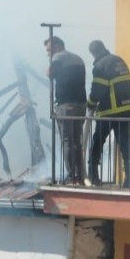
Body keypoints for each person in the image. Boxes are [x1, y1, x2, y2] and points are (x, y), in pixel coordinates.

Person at [87, 40, 130, 188]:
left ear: (93, 53)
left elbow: (98, 90)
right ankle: (129, 181)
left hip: (111, 113)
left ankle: (93, 177)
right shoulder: (119, 60)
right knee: (126, 146)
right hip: (128, 111)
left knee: (97, 143)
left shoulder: (100, 66)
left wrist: (90, 104)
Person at [45, 36, 87, 184]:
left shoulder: (58, 57)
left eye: (49, 50)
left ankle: (71, 176)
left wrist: (48, 68)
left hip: (66, 105)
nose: (48, 54)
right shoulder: (78, 58)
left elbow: (50, 74)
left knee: (67, 141)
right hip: (81, 105)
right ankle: (79, 175)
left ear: (57, 46)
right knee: (77, 141)